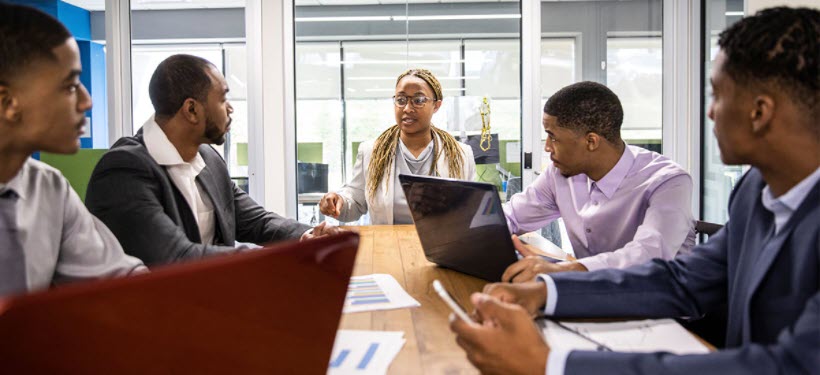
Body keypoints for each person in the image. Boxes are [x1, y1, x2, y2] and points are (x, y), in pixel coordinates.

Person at [451, 6, 819, 374]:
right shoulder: (756, 190)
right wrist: (547, 291)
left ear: (760, 112)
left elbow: (791, 365)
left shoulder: (670, 179)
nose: (710, 114)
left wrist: (552, 365)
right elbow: (681, 280)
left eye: (718, 96)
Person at [85, 54, 341, 267]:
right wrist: (282, 257)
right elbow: (174, 257)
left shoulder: (208, 158)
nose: (230, 108)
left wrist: (306, 236)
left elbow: (255, 221)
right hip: (154, 314)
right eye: (222, 99)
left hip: (211, 300)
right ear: (192, 110)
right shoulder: (124, 169)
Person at [0, 3, 145, 297]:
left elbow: (119, 282)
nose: (87, 101)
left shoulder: (50, 188)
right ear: (7, 103)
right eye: (69, 87)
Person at [501, 81, 696, 281]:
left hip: (658, 303)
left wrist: (564, 270)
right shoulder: (560, 173)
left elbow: (648, 256)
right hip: (593, 296)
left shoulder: (669, 182)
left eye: (553, 137)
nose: (547, 148)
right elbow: (512, 216)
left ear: (591, 141)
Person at [319, 69, 477, 225]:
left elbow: (471, 211)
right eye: (401, 100)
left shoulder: (461, 155)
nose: (407, 108)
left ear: (436, 105)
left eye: (419, 100)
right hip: (387, 247)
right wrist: (338, 201)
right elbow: (355, 201)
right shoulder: (371, 152)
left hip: (442, 248)